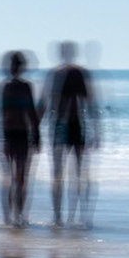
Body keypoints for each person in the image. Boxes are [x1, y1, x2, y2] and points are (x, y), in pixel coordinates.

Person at [45, 41, 99, 227]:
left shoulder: (70, 74)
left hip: (68, 124)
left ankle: (67, 216)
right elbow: (90, 103)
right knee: (69, 172)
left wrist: (96, 130)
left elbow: (89, 102)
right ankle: (67, 216)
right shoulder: (67, 74)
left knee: (70, 172)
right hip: (68, 124)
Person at [0, 50, 40, 226]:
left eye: (17, 65)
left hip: (21, 134)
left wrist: (36, 135)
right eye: (13, 65)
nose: (14, 68)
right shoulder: (6, 87)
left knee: (21, 178)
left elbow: (31, 113)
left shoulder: (24, 87)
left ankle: (18, 216)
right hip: (10, 135)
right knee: (12, 177)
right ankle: (10, 216)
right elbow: (2, 114)